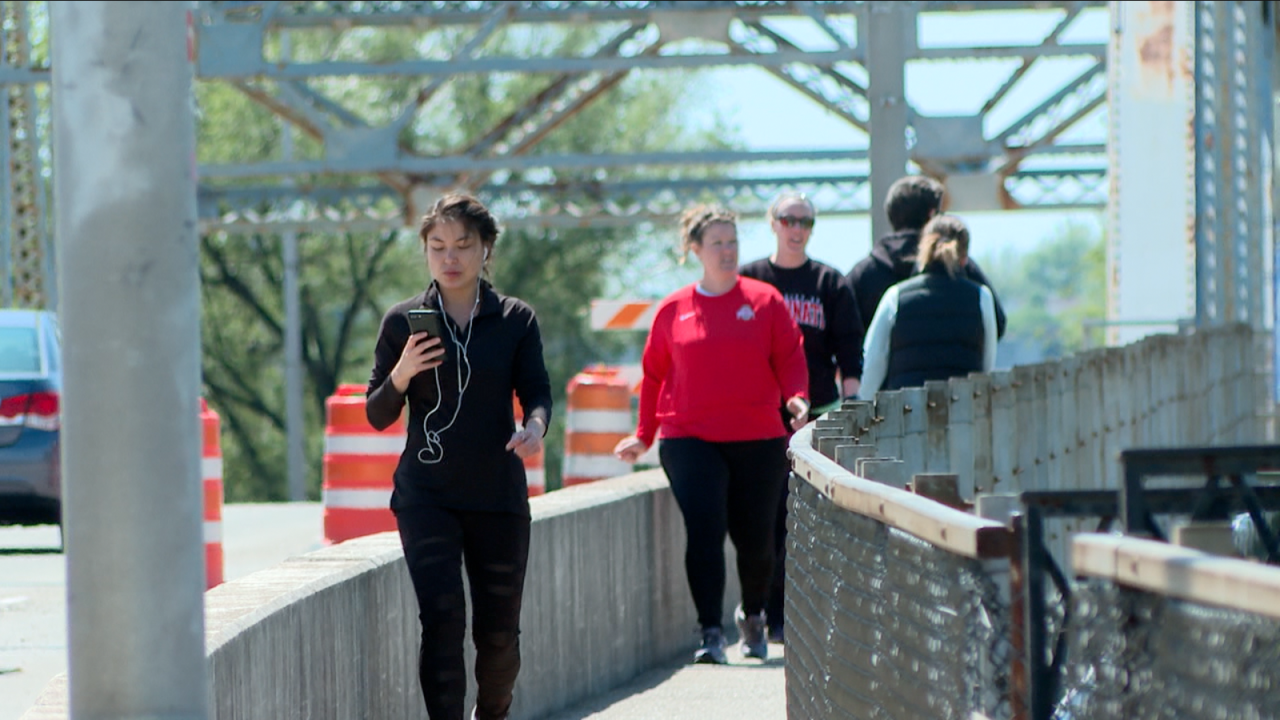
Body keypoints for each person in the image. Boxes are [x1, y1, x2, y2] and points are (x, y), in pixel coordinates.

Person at [365, 193, 552, 720]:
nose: (450, 258)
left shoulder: (515, 319)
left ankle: (491, 712)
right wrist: (401, 374)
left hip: (497, 496)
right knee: (442, 620)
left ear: (485, 249)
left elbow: (537, 389)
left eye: (463, 245)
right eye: (437, 246)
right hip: (427, 496)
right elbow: (377, 414)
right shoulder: (403, 322)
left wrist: (535, 426)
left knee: (498, 637)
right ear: (425, 250)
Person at [613, 203, 810, 665]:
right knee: (704, 530)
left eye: (733, 241)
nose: (727, 250)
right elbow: (654, 375)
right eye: (717, 243)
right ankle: (709, 633)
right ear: (695, 250)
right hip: (689, 437)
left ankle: (755, 615)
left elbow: (790, 357)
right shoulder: (674, 310)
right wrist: (644, 435)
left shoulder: (764, 301)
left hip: (759, 436)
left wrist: (796, 397)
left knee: (756, 538)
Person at [739, 191, 864, 645]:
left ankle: (792, 614)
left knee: (806, 518)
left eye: (806, 221)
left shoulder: (829, 282)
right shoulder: (750, 278)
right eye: (789, 219)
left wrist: (849, 408)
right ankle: (767, 612)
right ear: (772, 222)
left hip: (816, 415)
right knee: (766, 518)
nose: (797, 228)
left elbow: (849, 348)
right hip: (760, 416)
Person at [846, 175, 1007, 340]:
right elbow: (997, 324)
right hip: (952, 364)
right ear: (932, 215)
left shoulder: (863, 273)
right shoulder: (957, 264)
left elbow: (843, 332)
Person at [858, 214, 998, 398]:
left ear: (922, 252)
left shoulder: (897, 296)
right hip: (962, 412)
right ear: (964, 259)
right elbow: (987, 365)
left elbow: (873, 361)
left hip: (907, 415)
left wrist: (864, 404)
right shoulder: (981, 297)